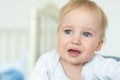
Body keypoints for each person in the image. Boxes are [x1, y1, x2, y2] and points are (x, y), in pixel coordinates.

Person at [29, 0, 120, 80]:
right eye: (68, 31)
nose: (75, 41)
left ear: (98, 44)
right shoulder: (47, 62)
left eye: (86, 34)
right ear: (58, 35)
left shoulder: (99, 65)